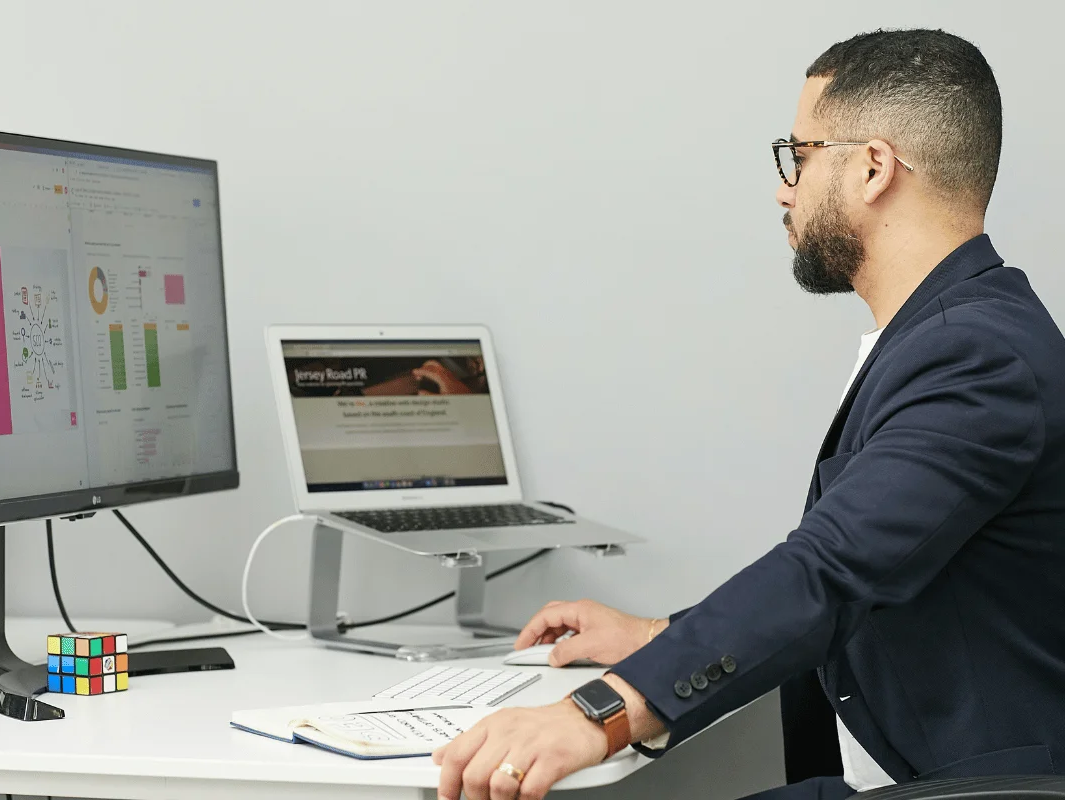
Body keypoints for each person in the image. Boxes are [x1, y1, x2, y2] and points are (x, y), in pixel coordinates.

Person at [433, 28, 1065, 800]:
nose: (783, 188)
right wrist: (657, 638)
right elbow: (874, 564)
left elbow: (830, 569)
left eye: (798, 157)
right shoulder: (954, 336)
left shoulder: (976, 360)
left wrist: (594, 712)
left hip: (964, 787)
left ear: (872, 167)